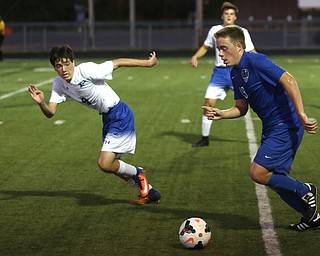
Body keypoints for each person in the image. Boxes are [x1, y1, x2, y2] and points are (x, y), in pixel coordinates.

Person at [203, 25, 319, 231]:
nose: (220, 54)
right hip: (271, 127)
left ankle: (305, 190)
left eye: (223, 48)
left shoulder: (256, 60)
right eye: (218, 49)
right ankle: (312, 218)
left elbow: (289, 80)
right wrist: (222, 113)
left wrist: (301, 114)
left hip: (286, 123)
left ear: (239, 46)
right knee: (274, 181)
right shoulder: (235, 74)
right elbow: (241, 108)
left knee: (258, 173)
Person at [28, 45, 161, 205]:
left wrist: (148, 63)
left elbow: (117, 63)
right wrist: (41, 102)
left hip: (119, 114)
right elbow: (50, 112)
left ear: (73, 62)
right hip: (107, 118)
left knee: (104, 163)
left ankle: (138, 173)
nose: (64, 69)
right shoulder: (58, 84)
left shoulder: (86, 70)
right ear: (54, 68)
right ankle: (151, 192)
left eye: (67, 63)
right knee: (111, 165)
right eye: (58, 65)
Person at [190, 2, 256, 147]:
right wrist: (195, 56)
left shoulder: (242, 32)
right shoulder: (215, 30)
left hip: (237, 72)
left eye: (231, 14)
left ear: (235, 17)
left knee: (256, 101)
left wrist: (261, 66)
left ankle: (271, 133)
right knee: (208, 104)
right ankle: (205, 138)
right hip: (219, 73)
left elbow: (252, 51)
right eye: (226, 14)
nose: (229, 16)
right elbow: (205, 46)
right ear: (222, 16)